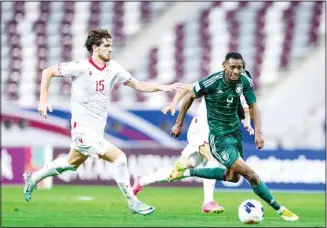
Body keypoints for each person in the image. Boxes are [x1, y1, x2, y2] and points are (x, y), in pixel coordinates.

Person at [23, 29, 183, 216]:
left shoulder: (113, 68)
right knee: (120, 158)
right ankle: (133, 201)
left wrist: (163, 87)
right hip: (82, 132)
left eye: (111, 46)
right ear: (95, 48)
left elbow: (138, 85)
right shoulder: (80, 67)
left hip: (96, 132)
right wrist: (43, 100)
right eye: (106, 46)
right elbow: (48, 71)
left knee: (71, 163)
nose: (110, 49)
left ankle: (33, 177)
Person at [167, 52, 299, 222]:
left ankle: (186, 171)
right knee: (251, 175)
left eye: (240, 67)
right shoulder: (212, 82)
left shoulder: (244, 81)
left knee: (232, 177)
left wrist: (258, 131)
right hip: (219, 139)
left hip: (235, 135)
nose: (236, 71)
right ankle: (281, 210)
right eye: (233, 67)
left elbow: (253, 105)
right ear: (224, 66)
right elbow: (190, 96)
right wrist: (178, 124)